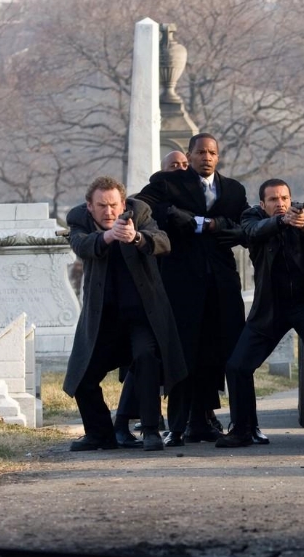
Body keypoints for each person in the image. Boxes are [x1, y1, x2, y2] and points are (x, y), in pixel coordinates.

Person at [135, 133, 267, 446]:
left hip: (222, 285)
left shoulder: (233, 189)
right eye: (200, 152)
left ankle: (244, 425)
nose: (206, 157)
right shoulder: (169, 183)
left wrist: (215, 225)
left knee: (230, 353)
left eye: (212, 153)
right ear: (190, 155)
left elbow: (245, 226)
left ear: (218, 157)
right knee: (183, 354)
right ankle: (177, 427)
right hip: (182, 283)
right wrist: (173, 214)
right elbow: (141, 205)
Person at [217, 178, 304, 449]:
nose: (281, 204)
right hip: (270, 307)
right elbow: (252, 231)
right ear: (262, 203)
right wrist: (280, 222)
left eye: (284, 198)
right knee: (237, 366)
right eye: (274, 200)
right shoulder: (252, 216)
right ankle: (243, 429)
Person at [63, 176, 187, 452]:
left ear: (123, 204)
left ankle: (151, 430)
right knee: (82, 377)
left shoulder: (139, 212)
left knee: (146, 360)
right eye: (101, 206)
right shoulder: (78, 219)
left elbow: (163, 242)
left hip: (142, 315)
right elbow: (81, 245)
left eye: (113, 205)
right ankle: (99, 434)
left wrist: (137, 237)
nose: (108, 211)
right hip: (102, 319)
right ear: (89, 206)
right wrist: (108, 237)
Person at [115, 150, 190, 446]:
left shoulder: (195, 197)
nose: (180, 169)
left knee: (163, 355)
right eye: (174, 165)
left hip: (182, 285)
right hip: (152, 285)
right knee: (144, 356)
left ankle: (179, 421)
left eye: (184, 165)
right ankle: (139, 422)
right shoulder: (144, 203)